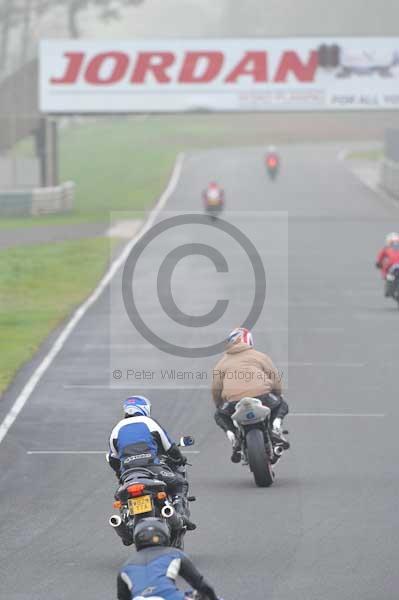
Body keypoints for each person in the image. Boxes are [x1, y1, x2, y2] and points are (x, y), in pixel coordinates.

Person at [107, 396, 195, 530]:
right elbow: (169, 447)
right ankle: (181, 515)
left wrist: (121, 474)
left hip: (130, 474)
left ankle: (125, 521)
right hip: (152, 468)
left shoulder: (116, 429)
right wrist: (180, 458)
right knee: (179, 483)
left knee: (121, 497)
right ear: (144, 409)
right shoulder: (149, 422)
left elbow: (112, 458)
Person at [212, 327, 289, 463]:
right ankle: (276, 425)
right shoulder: (260, 356)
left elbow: (216, 389)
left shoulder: (221, 363)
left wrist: (219, 405)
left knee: (219, 415)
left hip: (234, 403)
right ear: (249, 341)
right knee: (281, 403)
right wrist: (277, 395)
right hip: (263, 397)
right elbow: (275, 379)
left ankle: (232, 435)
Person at [117, 518, 218, 600]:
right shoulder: (174, 554)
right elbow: (201, 584)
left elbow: (123, 598)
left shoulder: (125, 567)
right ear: (164, 535)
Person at [376, 232, 399, 297]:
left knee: (386, 271)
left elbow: (380, 258)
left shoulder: (386, 249)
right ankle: (389, 289)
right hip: (393, 269)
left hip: (392, 268)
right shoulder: (386, 249)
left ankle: (389, 289)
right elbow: (380, 258)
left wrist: (378, 263)